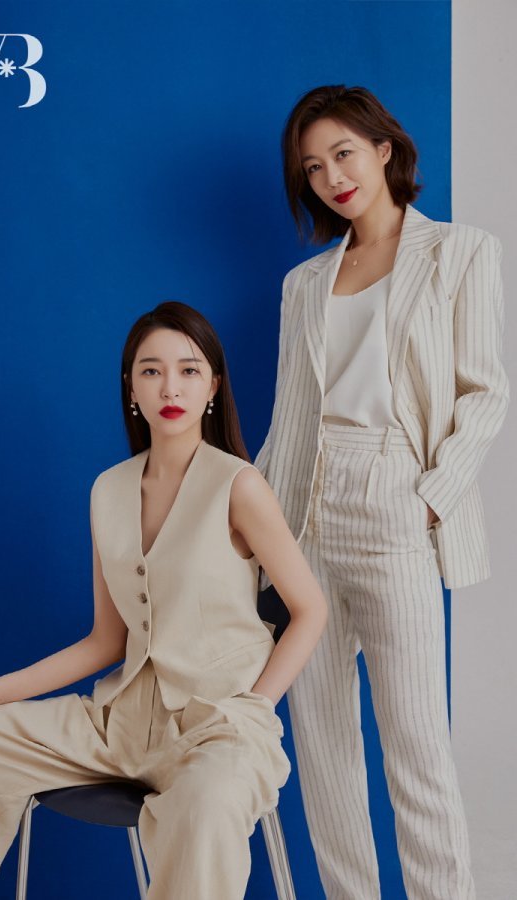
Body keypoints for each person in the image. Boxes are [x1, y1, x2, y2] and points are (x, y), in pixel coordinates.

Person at [0, 301, 328, 900]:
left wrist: (254, 707)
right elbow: (104, 642)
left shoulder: (239, 486)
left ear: (214, 386)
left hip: (218, 727)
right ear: (131, 388)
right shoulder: (107, 491)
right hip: (116, 725)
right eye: (151, 370)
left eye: (189, 370)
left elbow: (310, 610)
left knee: (207, 806)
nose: (170, 387)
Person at [255, 85, 509, 900]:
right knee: (323, 750)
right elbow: (289, 420)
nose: (332, 177)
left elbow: (486, 392)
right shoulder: (304, 283)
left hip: (396, 493)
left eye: (344, 154)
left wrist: (428, 497)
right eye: (313, 167)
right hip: (306, 512)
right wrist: (256, 534)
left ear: (384, 150)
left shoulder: (460, 252)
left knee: (416, 746)